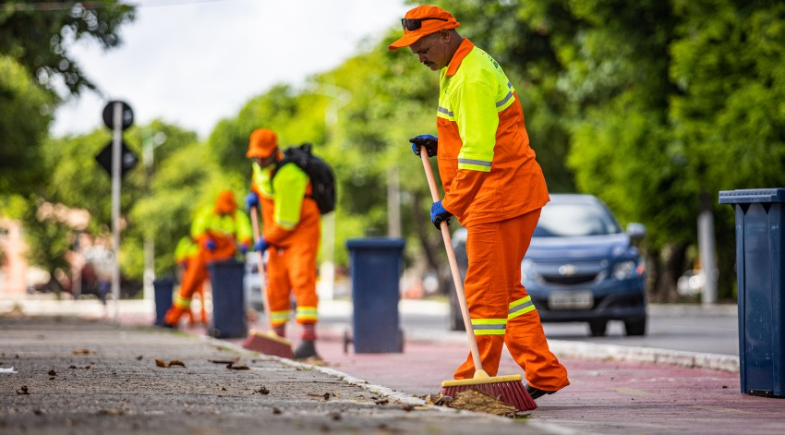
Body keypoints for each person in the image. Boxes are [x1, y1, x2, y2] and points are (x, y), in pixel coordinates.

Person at [389, 5, 569, 399]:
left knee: (485, 292)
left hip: (499, 196)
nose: (418, 57)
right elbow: (479, 132)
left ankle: (477, 379)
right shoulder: (459, 67)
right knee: (507, 291)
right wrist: (443, 144)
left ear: (445, 35)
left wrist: (451, 202)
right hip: (509, 191)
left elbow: (478, 154)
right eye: (413, 51)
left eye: (422, 48)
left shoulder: (470, 77)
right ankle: (545, 373)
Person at [245, 128, 321, 360]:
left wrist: (266, 239)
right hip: (275, 236)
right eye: (255, 156)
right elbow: (261, 187)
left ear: (274, 151)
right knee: (275, 284)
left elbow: (287, 221)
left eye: (263, 156)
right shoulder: (259, 169)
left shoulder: (289, 175)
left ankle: (308, 341)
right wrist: (255, 195)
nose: (258, 160)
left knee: (301, 280)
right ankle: (277, 338)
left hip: (300, 233)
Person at [163, 190, 252, 328]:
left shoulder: (238, 216)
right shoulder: (208, 212)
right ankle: (172, 319)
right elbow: (197, 230)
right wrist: (205, 241)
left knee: (225, 292)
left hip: (224, 262)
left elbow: (245, 234)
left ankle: (227, 323)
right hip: (204, 257)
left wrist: (245, 244)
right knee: (188, 287)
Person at [174, 235, 206, 325]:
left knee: (201, 297)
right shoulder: (184, 243)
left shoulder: (201, 243)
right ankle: (191, 318)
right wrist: (183, 262)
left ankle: (203, 318)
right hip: (188, 274)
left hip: (199, 275)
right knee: (187, 297)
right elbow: (178, 258)